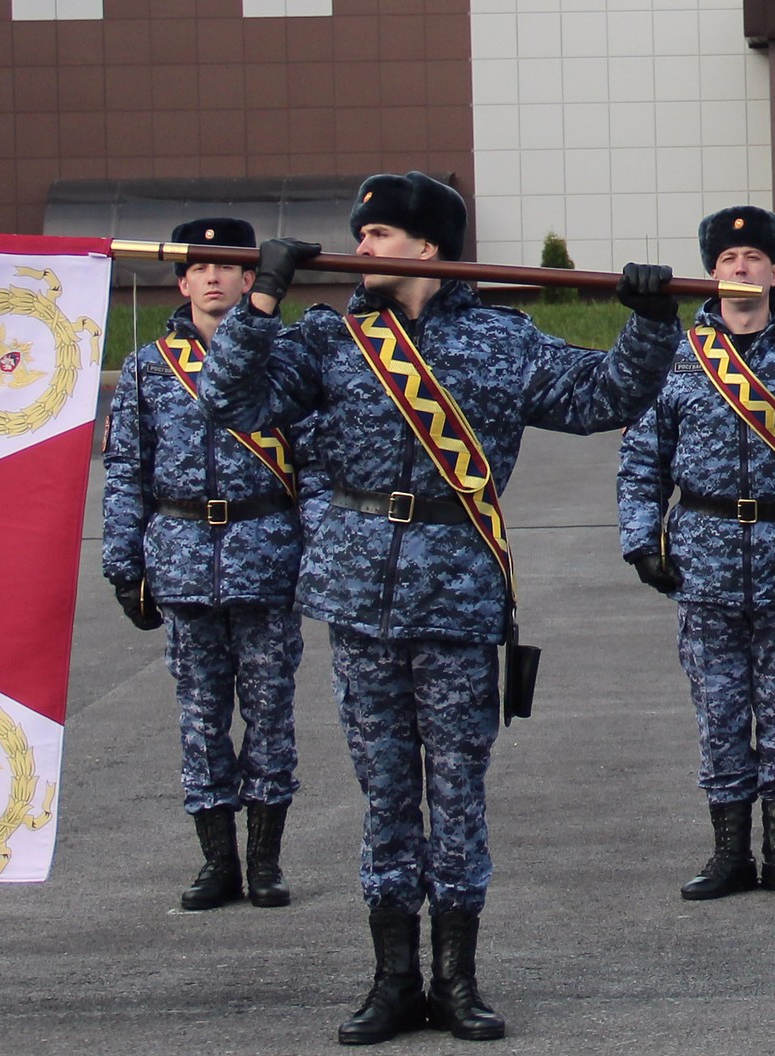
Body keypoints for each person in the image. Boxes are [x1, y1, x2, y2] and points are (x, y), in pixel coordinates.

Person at [195, 173, 681, 1045]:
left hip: (459, 593)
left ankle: (458, 980)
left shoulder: (502, 337)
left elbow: (604, 397)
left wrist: (648, 324)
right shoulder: (332, 339)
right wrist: (262, 297)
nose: (364, 247)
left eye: (378, 234)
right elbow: (228, 401)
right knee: (384, 796)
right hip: (360, 597)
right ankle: (391, 980)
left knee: (457, 794)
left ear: (427, 247)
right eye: (362, 235)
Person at [101, 217, 305, 911]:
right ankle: (217, 860)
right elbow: (126, 471)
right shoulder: (147, 368)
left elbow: (311, 470)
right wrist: (124, 563)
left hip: (267, 558)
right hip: (183, 562)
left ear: (252, 277)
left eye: (229, 264)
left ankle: (266, 862)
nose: (214, 277)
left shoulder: (286, 356)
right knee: (200, 718)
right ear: (182, 281)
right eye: (200, 266)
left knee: (271, 714)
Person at [618, 204, 775, 903]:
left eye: (754, 255)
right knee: (720, 712)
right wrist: (641, 538)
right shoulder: (676, 355)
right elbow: (641, 458)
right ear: (711, 273)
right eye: (728, 259)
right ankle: (729, 852)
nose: (740, 265)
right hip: (705, 559)